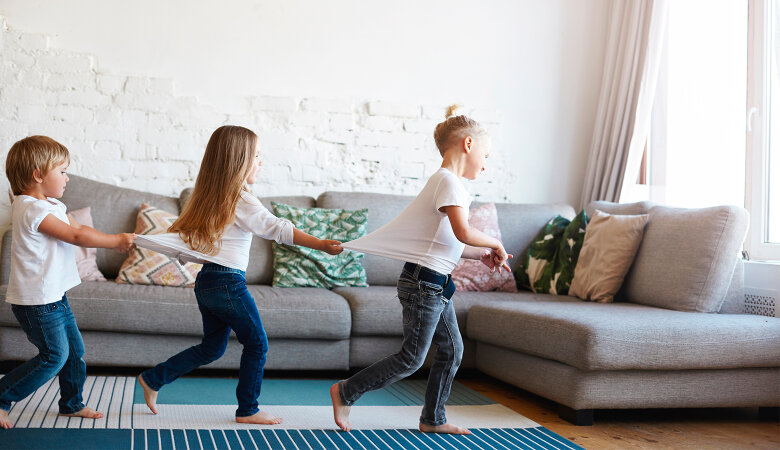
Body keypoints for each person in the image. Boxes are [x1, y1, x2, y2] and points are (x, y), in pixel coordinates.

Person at [135, 125, 342, 425]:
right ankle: (248, 409)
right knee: (257, 343)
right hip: (228, 283)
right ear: (239, 161)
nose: (260, 162)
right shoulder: (241, 198)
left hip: (207, 282)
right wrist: (320, 244)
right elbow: (276, 228)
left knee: (213, 347)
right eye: (256, 156)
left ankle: (154, 378)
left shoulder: (212, 197)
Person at [331, 105, 512, 435]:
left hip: (434, 283)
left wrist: (481, 254)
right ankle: (346, 391)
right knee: (412, 358)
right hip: (423, 284)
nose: (486, 165)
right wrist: (495, 244)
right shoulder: (449, 182)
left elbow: (451, 241)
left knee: (453, 350)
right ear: (468, 144)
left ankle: (433, 419)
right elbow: (463, 231)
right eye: (485, 154)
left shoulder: (447, 182)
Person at [0, 136, 135, 429]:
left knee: (74, 352)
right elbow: (74, 237)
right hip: (36, 302)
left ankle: (71, 404)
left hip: (54, 297)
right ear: (38, 175)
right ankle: (2, 396)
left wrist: (115, 240)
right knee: (54, 357)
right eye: (62, 171)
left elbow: (81, 229)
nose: (67, 177)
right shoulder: (31, 208)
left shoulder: (50, 205)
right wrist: (114, 242)